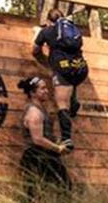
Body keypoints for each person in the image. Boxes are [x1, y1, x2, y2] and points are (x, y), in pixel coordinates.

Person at [31, 8, 88, 151]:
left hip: (63, 69)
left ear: (49, 21)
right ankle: (73, 103)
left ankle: (67, 138)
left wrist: (38, 35)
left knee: (62, 103)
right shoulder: (73, 30)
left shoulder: (47, 31)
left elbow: (35, 50)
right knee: (70, 87)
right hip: (81, 69)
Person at [17, 76, 72, 203]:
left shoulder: (40, 110)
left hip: (45, 155)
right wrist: (58, 148)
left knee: (62, 186)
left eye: (46, 88)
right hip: (37, 156)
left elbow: (44, 135)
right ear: (32, 93)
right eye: (42, 88)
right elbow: (38, 139)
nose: (47, 91)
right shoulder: (34, 111)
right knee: (36, 192)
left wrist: (57, 142)